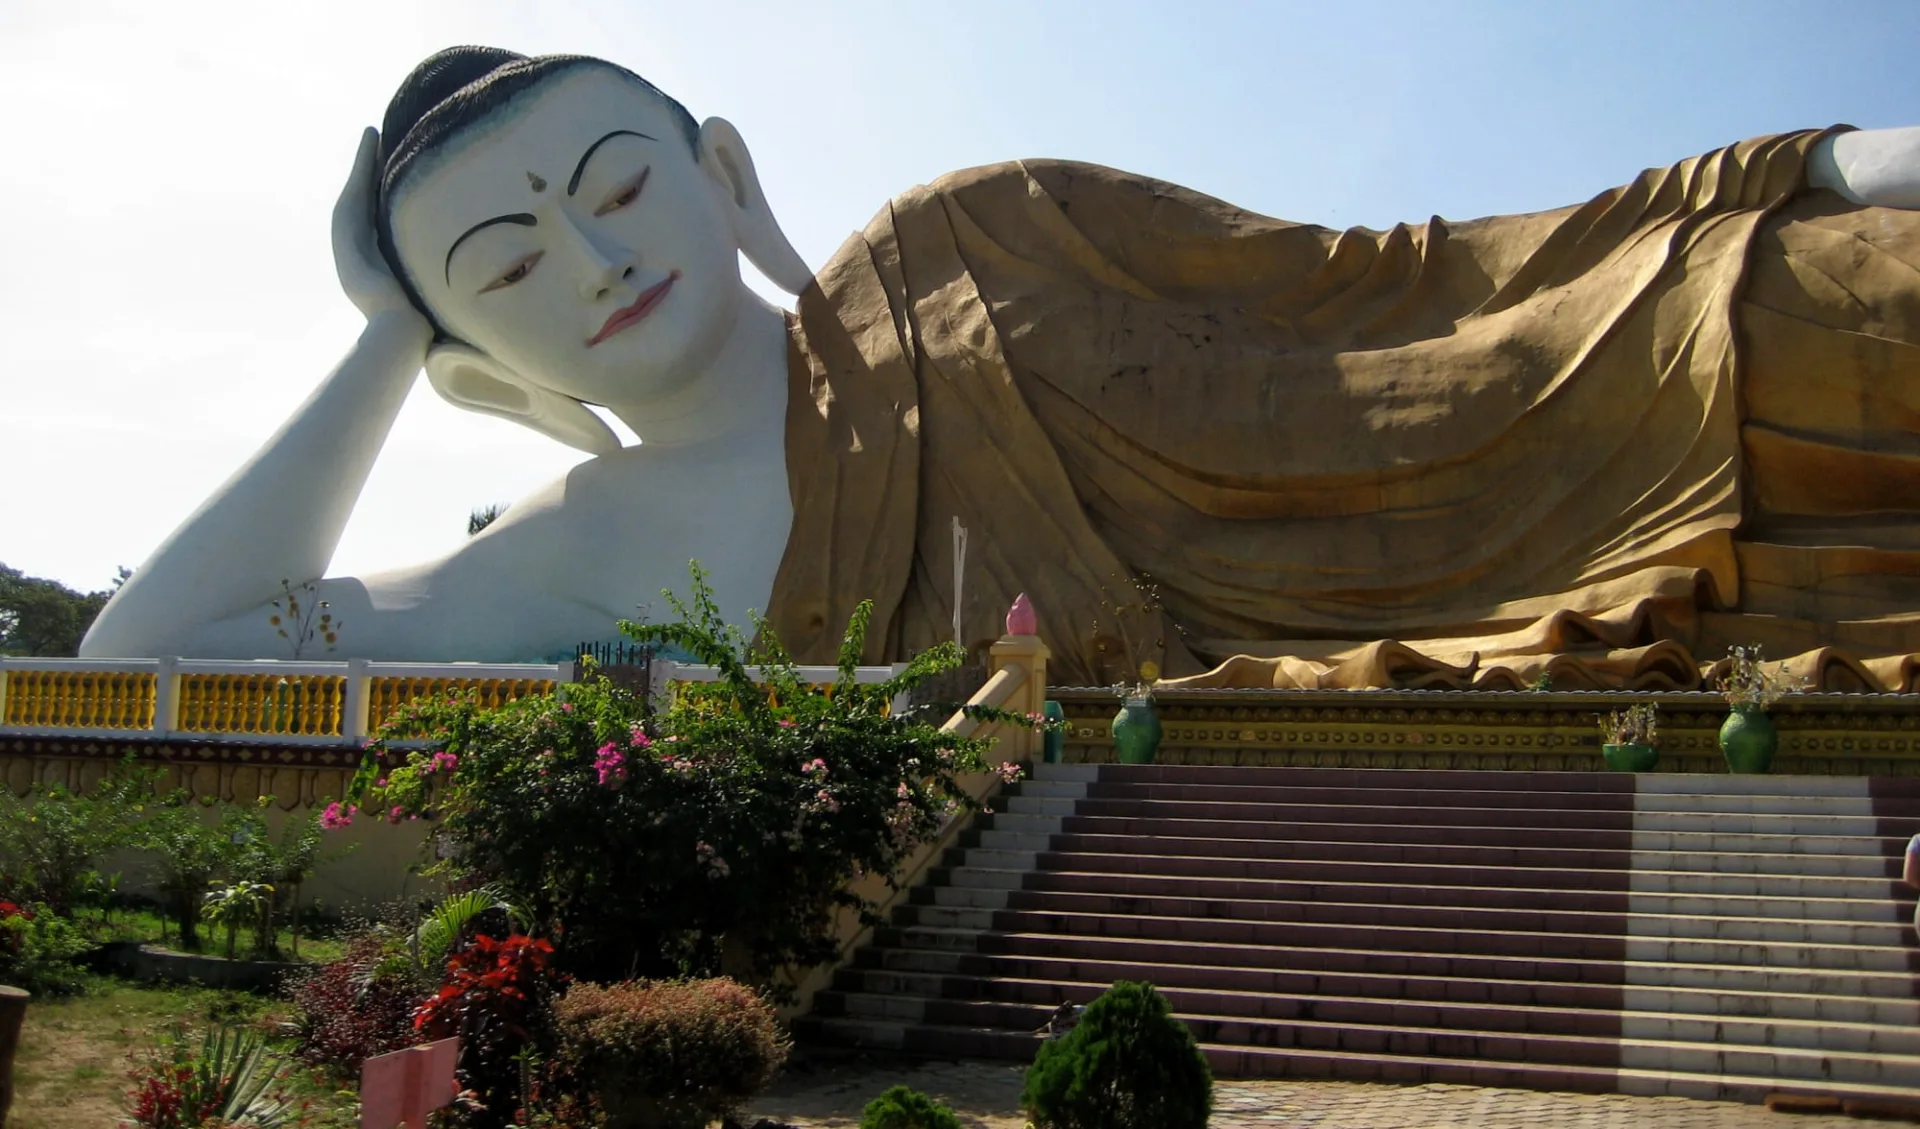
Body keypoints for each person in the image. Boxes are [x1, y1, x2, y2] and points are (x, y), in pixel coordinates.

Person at [80, 47, 1920, 690]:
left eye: (621, 185)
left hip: (1633, 370)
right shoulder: (580, 547)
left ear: (724, 177)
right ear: (474, 364)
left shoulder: (975, 232)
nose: (596, 256)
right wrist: (388, 333)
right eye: (505, 264)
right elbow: (141, 661)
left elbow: (1404, 281)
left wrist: (1803, 170)